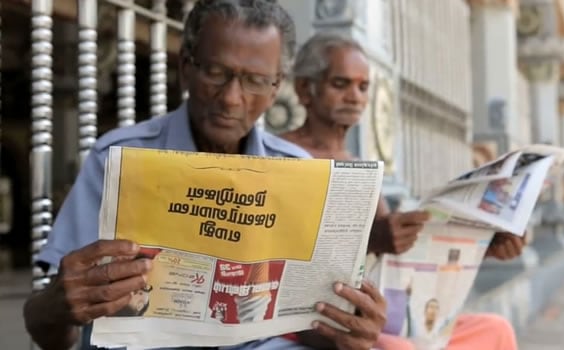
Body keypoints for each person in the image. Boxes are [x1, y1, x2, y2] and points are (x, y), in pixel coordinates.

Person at [22, 2, 386, 350]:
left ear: (277, 87)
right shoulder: (118, 159)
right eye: (215, 72)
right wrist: (57, 307)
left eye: (256, 80)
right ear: (186, 67)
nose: (231, 98)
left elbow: (308, 328)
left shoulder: (302, 173)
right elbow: (53, 332)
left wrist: (347, 332)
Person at [280, 32, 521, 350]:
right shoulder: (283, 156)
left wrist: (482, 246)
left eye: (363, 87)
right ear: (304, 89)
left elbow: (400, 256)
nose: (355, 96)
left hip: (381, 313)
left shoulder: (361, 166)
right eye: (341, 84)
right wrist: (370, 239)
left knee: (495, 329)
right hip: (316, 321)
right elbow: (281, 253)